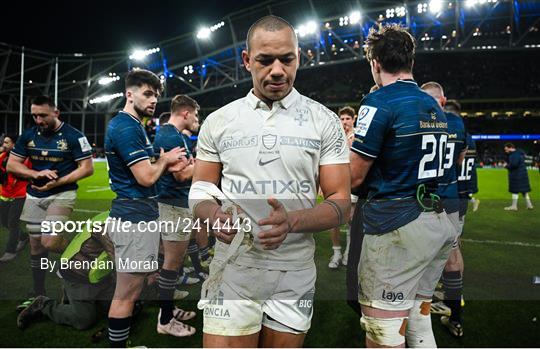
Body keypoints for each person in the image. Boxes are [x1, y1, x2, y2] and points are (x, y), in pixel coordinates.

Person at [188, 15, 351, 347]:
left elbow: (340, 202)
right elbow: (201, 190)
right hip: (234, 266)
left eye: (287, 59)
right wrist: (213, 215)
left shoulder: (324, 121)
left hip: (294, 271)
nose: (277, 69)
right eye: (265, 60)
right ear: (247, 61)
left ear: (299, 58)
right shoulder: (220, 121)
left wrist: (290, 221)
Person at [349, 24, 456, 348]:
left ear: (375, 63)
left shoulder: (379, 101)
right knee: (419, 320)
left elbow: (354, 176)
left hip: (397, 231)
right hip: (437, 222)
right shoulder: (433, 106)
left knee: (384, 334)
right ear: (410, 60)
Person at [104, 69, 187, 347]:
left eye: (156, 95)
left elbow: (147, 169)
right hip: (134, 219)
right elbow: (146, 177)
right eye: (147, 93)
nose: (153, 100)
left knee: (131, 289)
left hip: (137, 216)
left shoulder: (133, 125)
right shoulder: (127, 127)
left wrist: (159, 158)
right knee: (126, 294)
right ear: (129, 94)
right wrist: (165, 160)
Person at [7, 95, 94, 297]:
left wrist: (58, 181)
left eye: (43, 115)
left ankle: (78, 256)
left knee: (50, 242)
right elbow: (13, 164)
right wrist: (35, 174)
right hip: (34, 195)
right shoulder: (28, 135)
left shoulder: (74, 136)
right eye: (35, 116)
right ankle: (39, 293)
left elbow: (87, 168)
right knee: (36, 246)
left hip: (62, 192)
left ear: (56, 112)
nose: (38, 120)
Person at [16, 211, 115, 331]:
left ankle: (82, 300)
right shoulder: (107, 225)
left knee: (120, 307)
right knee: (84, 319)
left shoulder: (116, 218)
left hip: (100, 276)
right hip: (79, 276)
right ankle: (43, 305)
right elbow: (121, 262)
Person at [153, 94, 200, 337]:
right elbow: (180, 176)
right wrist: (206, 162)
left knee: (174, 261)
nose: (197, 120)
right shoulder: (169, 135)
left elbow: (185, 169)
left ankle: (169, 308)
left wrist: (191, 165)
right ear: (186, 112)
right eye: (196, 115)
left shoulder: (178, 135)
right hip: (172, 204)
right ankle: (165, 318)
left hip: (178, 203)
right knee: (171, 263)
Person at [328, 106, 356, 269]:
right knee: (334, 220)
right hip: (337, 184)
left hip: (353, 184)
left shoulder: (358, 135)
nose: (345, 122)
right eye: (342, 119)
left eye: (347, 119)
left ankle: (348, 253)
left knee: (351, 221)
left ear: (353, 120)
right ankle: (337, 252)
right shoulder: (336, 136)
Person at [0, 134, 30, 262]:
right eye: (3, 142)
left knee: (13, 222)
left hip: (20, 194)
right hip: (4, 193)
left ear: (14, 144)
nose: (3, 145)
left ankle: (10, 251)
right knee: (4, 222)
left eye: (7, 142)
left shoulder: (25, 158)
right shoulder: (2, 156)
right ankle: (23, 237)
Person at [503, 143, 533, 210]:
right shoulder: (518, 153)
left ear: (510, 147)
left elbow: (514, 165)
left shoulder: (514, 155)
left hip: (516, 175)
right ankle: (529, 205)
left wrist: (506, 166)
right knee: (524, 191)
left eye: (506, 149)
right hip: (522, 175)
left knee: (515, 190)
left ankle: (514, 206)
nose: (505, 151)